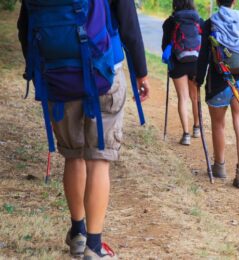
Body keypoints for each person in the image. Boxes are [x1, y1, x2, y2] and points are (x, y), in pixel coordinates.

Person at [17, 0, 150, 258]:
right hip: (104, 73)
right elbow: (129, 24)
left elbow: (26, 26)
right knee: (99, 159)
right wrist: (141, 72)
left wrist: (40, 68)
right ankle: (94, 246)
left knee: (73, 154)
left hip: (57, 77)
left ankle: (78, 233)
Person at [196, 0, 239, 188]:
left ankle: (219, 166)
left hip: (218, 81)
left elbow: (204, 56)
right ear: (235, 1)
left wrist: (198, 80)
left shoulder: (210, 23)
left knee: (218, 124)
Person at [162, 0, 202, 145]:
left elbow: (165, 46)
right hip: (195, 63)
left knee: (183, 98)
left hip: (178, 64)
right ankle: (197, 128)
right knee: (195, 96)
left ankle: (186, 135)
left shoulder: (170, 22)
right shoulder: (199, 20)